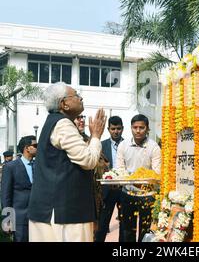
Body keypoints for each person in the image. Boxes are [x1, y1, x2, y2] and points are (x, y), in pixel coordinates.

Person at [28, 82, 106, 242]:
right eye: (76, 95)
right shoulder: (63, 124)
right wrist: (96, 136)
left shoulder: (54, 122)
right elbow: (88, 160)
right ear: (64, 104)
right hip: (64, 211)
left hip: (53, 208)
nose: (81, 98)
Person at [117, 114, 161, 242]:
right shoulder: (123, 145)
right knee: (127, 231)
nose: (138, 130)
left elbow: (157, 172)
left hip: (148, 195)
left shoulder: (154, 147)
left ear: (147, 129)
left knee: (146, 231)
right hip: (127, 193)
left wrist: (139, 182)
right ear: (131, 128)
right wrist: (132, 180)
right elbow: (120, 169)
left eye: (141, 127)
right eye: (135, 127)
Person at [1, 135, 37, 242]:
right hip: (19, 219)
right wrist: (7, 220)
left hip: (38, 218)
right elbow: (5, 195)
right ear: (27, 148)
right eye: (35, 145)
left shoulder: (38, 166)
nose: (37, 147)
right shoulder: (10, 167)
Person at [95, 115, 124, 242]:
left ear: (122, 129)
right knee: (102, 224)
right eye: (113, 129)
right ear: (108, 129)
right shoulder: (101, 145)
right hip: (107, 190)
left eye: (118, 128)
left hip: (124, 189)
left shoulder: (128, 145)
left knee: (125, 224)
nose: (116, 131)